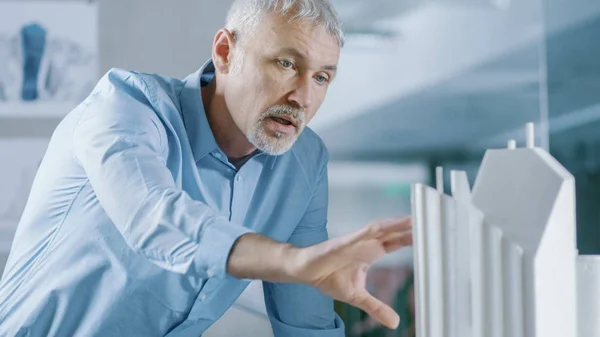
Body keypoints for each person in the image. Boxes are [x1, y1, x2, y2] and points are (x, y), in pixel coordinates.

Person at [0, 0, 412, 336]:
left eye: (322, 77)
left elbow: (306, 322)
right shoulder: (124, 107)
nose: (303, 96)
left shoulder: (304, 163)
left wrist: (306, 271)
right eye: (286, 64)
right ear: (225, 52)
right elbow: (154, 218)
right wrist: (290, 261)